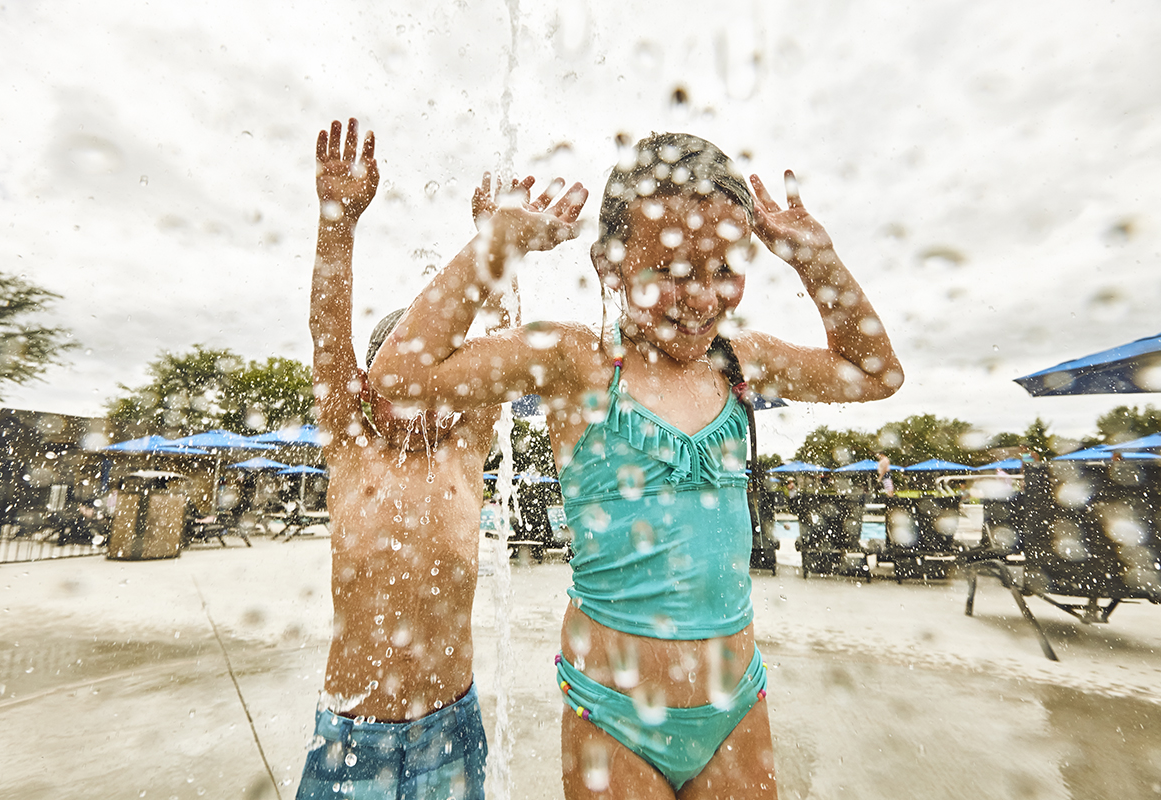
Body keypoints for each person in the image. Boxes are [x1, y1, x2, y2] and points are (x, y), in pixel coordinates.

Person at [371, 132, 902, 798]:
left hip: (735, 707)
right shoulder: (577, 362)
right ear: (610, 265)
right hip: (614, 716)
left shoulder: (738, 361)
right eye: (672, 269)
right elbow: (399, 374)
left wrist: (816, 259)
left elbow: (875, 373)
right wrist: (494, 246)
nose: (701, 297)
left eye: (723, 268)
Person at [295, 118, 502, 800]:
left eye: (437, 386)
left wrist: (497, 241)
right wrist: (337, 221)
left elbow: (506, 341)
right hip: (352, 732)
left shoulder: (464, 452)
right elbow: (328, 334)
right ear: (365, 391)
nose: (421, 404)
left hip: (450, 724)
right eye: (402, 387)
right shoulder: (352, 453)